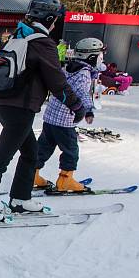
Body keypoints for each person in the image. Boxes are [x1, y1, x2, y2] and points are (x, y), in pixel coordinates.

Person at [0, 0, 82, 222]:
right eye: (56, 20)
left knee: (30, 153)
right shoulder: (42, 43)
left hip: (6, 106)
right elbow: (57, 81)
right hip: (20, 109)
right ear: (51, 19)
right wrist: (77, 105)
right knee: (1, 159)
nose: (56, 25)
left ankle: (20, 200)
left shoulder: (17, 38)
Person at [34, 38, 102, 192]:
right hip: (65, 120)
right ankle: (66, 180)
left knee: (44, 146)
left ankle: (32, 174)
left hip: (51, 116)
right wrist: (88, 110)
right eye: (99, 55)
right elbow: (81, 94)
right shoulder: (84, 74)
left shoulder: (68, 68)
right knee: (71, 150)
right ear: (92, 57)